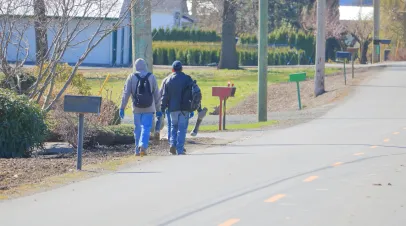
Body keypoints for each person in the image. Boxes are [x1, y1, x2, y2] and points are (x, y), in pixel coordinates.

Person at [119, 58, 161, 157]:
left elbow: (126, 93)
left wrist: (122, 107)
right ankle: (143, 145)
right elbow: (156, 94)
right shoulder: (151, 77)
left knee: (137, 128)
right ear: (145, 66)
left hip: (136, 108)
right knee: (146, 127)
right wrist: (158, 109)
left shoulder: (131, 77)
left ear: (135, 66)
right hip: (149, 108)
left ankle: (137, 150)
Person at [160, 61, 195, 155]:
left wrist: (162, 108)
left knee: (173, 127)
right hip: (184, 108)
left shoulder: (168, 80)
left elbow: (164, 96)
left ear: (172, 69)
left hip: (172, 108)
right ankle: (180, 149)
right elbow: (193, 93)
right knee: (182, 129)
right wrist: (193, 108)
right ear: (181, 69)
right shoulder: (187, 79)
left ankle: (172, 144)